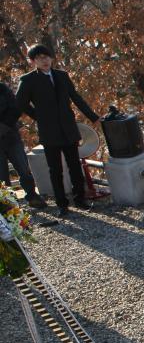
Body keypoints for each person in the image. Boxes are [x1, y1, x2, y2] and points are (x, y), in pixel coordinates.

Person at [15, 44, 100, 217]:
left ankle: (80, 199)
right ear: (33, 62)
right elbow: (20, 104)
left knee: (75, 166)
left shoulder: (62, 75)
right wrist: (39, 116)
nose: (44, 60)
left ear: (51, 58)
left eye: (46, 56)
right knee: (55, 170)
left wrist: (93, 116)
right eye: (39, 58)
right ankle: (62, 204)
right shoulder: (28, 80)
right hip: (49, 131)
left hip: (68, 128)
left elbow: (75, 97)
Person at [0, 80, 45, 208]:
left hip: (11, 136)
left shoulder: (2, 88)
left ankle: (32, 195)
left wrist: (3, 127)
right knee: (1, 176)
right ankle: (9, 205)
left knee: (23, 168)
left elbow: (15, 108)